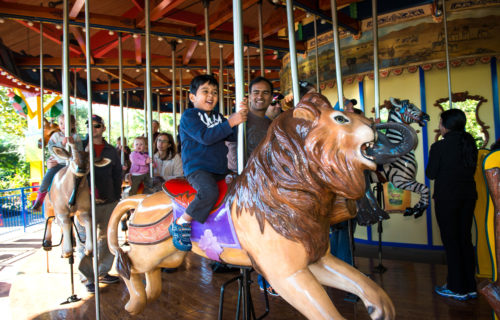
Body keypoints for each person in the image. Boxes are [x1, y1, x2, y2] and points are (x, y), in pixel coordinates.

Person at [171, 74, 248, 252]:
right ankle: (181, 222)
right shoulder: (189, 116)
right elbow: (205, 137)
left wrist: (241, 117)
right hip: (198, 168)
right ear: (192, 97)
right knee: (208, 192)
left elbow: (231, 135)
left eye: (214, 92)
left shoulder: (218, 117)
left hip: (220, 168)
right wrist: (231, 121)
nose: (211, 96)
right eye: (205, 91)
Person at [426, 108, 478, 301]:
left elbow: (431, 173)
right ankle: (469, 285)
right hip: (468, 196)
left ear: (446, 125)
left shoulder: (439, 147)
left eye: (440, 122)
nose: (439, 126)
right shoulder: (470, 143)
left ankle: (456, 288)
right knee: (465, 239)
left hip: (447, 198)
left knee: (452, 242)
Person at [76, 114, 122, 293]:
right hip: (84, 201)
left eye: (96, 126)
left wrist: (116, 194)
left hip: (107, 196)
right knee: (85, 239)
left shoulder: (110, 150)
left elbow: (117, 172)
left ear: (103, 128)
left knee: (106, 236)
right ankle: (87, 276)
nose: (93, 128)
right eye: (90, 125)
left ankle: (102, 271)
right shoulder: (80, 148)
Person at [32, 114, 82, 211]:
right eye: (61, 123)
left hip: (72, 164)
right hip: (58, 164)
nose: (63, 125)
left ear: (72, 125)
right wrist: (62, 144)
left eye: (66, 123)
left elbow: (80, 151)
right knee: (47, 178)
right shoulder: (56, 136)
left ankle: (92, 194)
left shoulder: (76, 137)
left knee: (84, 178)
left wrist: (73, 145)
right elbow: (51, 149)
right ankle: (39, 201)